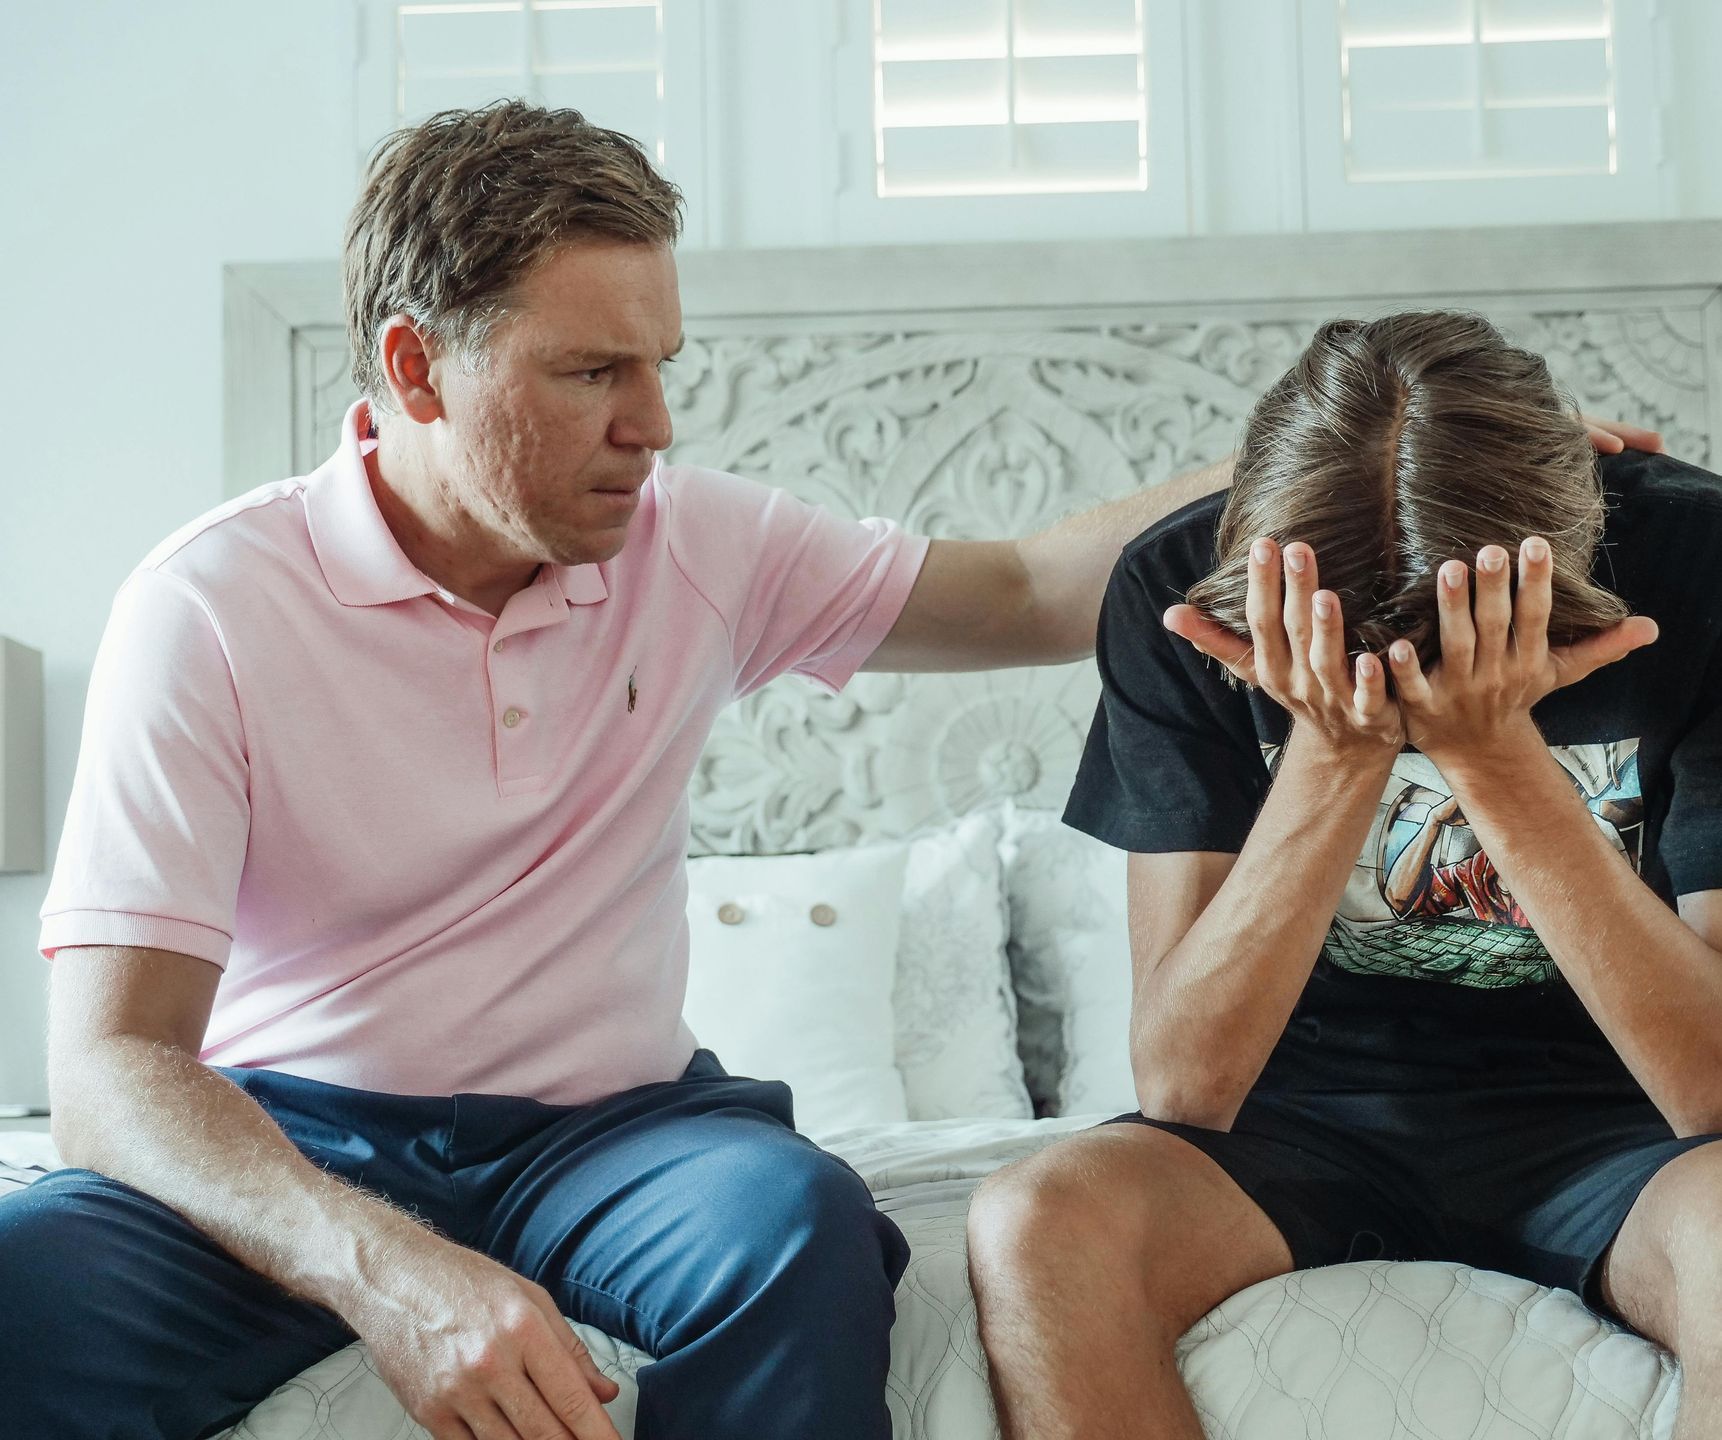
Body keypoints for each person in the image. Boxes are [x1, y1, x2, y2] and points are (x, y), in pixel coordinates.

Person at [0, 100, 1235, 1440]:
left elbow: (1020, 593)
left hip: (617, 1141)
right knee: (27, 1283)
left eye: (660, 365)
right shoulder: (207, 607)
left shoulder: (694, 544)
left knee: (797, 1230)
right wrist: (390, 1274)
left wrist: (1304, 456)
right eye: (590, 373)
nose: (650, 425)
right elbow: (113, 1066)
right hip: (302, 1133)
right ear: (416, 369)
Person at [966, 310, 1722, 1439]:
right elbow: (1184, 1084)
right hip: (1291, 1118)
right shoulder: (1181, 588)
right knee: (1035, 1221)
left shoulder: (1699, 567)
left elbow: (1712, 1088)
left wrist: (1494, 759)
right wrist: (1337, 748)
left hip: (1631, 1126)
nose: (1405, 698)